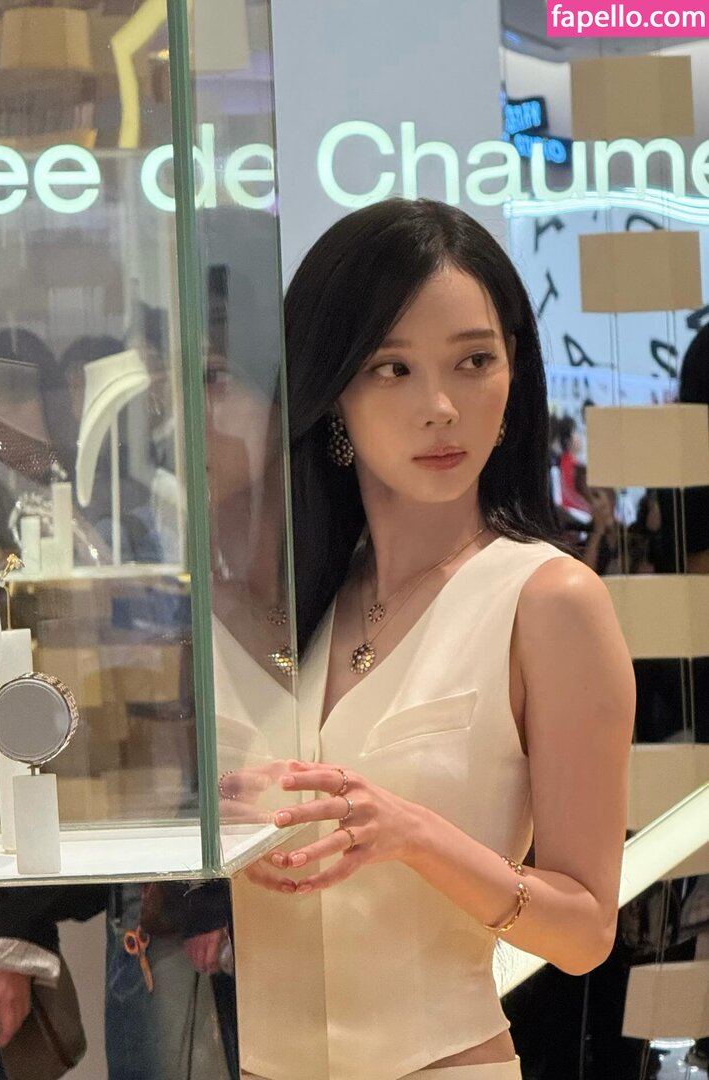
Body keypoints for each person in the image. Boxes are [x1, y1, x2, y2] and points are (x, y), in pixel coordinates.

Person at [230, 198, 635, 1080]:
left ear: (513, 373)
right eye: (392, 368)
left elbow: (585, 931)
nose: (441, 406)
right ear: (332, 392)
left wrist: (417, 834)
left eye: (474, 361)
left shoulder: (549, 601)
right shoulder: (294, 604)